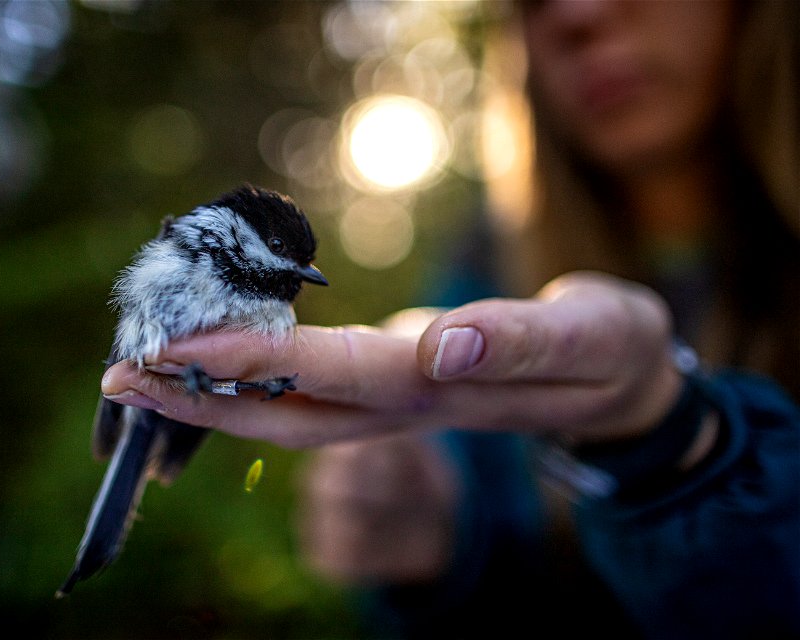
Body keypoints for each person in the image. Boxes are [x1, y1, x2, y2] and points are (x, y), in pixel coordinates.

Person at [100, 0, 799, 637]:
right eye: (532, 0)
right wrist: (431, 558)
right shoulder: (479, 277)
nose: (580, 14)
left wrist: (676, 442)